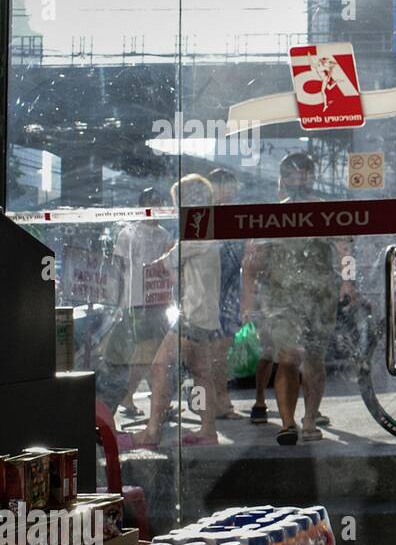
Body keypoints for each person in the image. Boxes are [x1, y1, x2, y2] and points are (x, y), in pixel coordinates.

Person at [240, 153, 356, 445]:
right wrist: (249, 298)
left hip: (319, 297)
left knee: (314, 360)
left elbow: (345, 249)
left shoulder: (326, 212)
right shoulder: (272, 216)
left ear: (312, 177)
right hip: (282, 299)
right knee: (287, 358)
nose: (298, 179)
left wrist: (348, 282)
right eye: (291, 175)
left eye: (303, 173)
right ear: (282, 179)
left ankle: (309, 417)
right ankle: (287, 422)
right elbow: (252, 263)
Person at [138, 174, 224, 447]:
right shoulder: (207, 228)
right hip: (204, 313)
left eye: (178, 202)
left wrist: (154, 263)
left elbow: (168, 262)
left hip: (194, 313)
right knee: (201, 372)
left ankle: (153, 431)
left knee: (160, 365)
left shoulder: (199, 230)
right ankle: (208, 430)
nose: (176, 209)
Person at [108, 187, 172, 420]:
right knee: (146, 350)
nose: (155, 208)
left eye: (159, 203)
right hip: (136, 302)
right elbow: (118, 266)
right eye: (151, 204)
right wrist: (118, 301)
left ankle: (156, 399)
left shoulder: (164, 234)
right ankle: (132, 394)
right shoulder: (129, 233)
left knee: (156, 352)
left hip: (161, 300)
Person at [207, 167, 244, 421]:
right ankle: (219, 401)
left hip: (230, 292)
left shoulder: (237, 216)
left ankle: (219, 399)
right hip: (207, 292)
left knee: (221, 350)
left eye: (229, 184)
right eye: (220, 185)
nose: (226, 190)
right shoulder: (204, 217)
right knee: (214, 351)